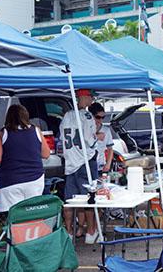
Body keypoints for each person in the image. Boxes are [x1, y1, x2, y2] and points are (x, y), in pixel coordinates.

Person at [0, 105, 49, 213]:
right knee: (31, 215)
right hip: (35, 179)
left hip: (10, 180)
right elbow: (46, 154)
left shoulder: (3, 133)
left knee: (13, 215)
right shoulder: (36, 130)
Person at [61, 89, 99, 244]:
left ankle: (69, 231)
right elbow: (91, 140)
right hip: (85, 162)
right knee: (89, 199)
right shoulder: (87, 116)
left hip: (70, 162)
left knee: (69, 200)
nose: (92, 100)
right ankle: (90, 232)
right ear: (84, 97)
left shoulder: (66, 115)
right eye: (90, 97)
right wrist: (97, 136)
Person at [88, 102, 113, 174]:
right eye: (98, 117)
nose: (100, 120)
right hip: (86, 165)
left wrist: (108, 164)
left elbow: (110, 149)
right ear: (91, 116)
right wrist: (96, 137)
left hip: (100, 166)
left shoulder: (106, 130)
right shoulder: (85, 129)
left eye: (103, 117)